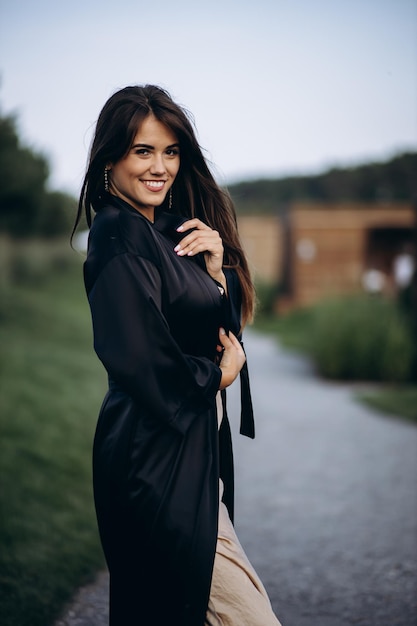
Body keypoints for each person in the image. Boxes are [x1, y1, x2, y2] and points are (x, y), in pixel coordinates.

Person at [73, 84, 282, 626]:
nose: (160, 167)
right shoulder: (118, 236)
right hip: (153, 462)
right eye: (143, 151)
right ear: (110, 158)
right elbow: (141, 360)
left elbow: (215, 330)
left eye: (170, 151)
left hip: (193, 452)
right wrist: (216, 375)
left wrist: (217, 276)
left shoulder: (166, 232)